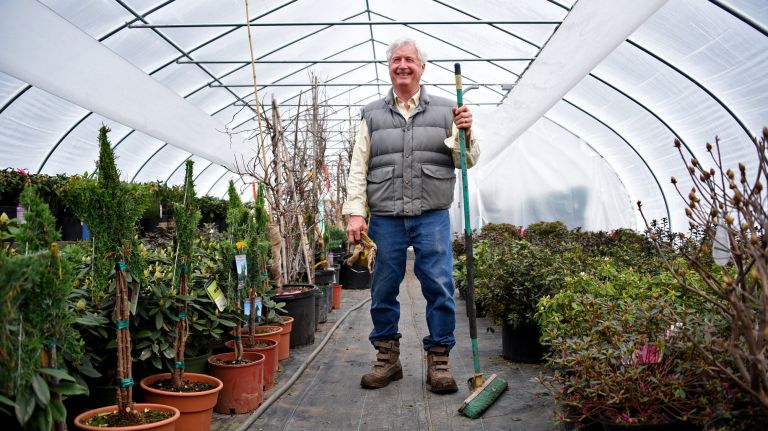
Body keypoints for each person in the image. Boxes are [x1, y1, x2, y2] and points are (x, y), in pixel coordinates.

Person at [342, 38, 479, 394]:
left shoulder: (450, 110)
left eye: (410, 60)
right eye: (396, 60)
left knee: (439, 286)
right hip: (386, 217)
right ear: (389, 67)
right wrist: (356, 212)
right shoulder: (371, 114)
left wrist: (466, 132)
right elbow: (359, 166)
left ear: (422, 67)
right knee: (383, 289)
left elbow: (467, 160)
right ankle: (388, 358)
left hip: (431, 214)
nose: (402, 65)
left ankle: (439, 360)